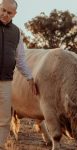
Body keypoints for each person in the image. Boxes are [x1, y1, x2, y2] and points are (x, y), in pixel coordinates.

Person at [0, 0, 37, 149]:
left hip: (6, 82)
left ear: (14, 14)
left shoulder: (16, 32)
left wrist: (29, 77)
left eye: (9, 12)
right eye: (3, 10)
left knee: (4, 119)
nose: (5, 14)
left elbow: (20, 59)